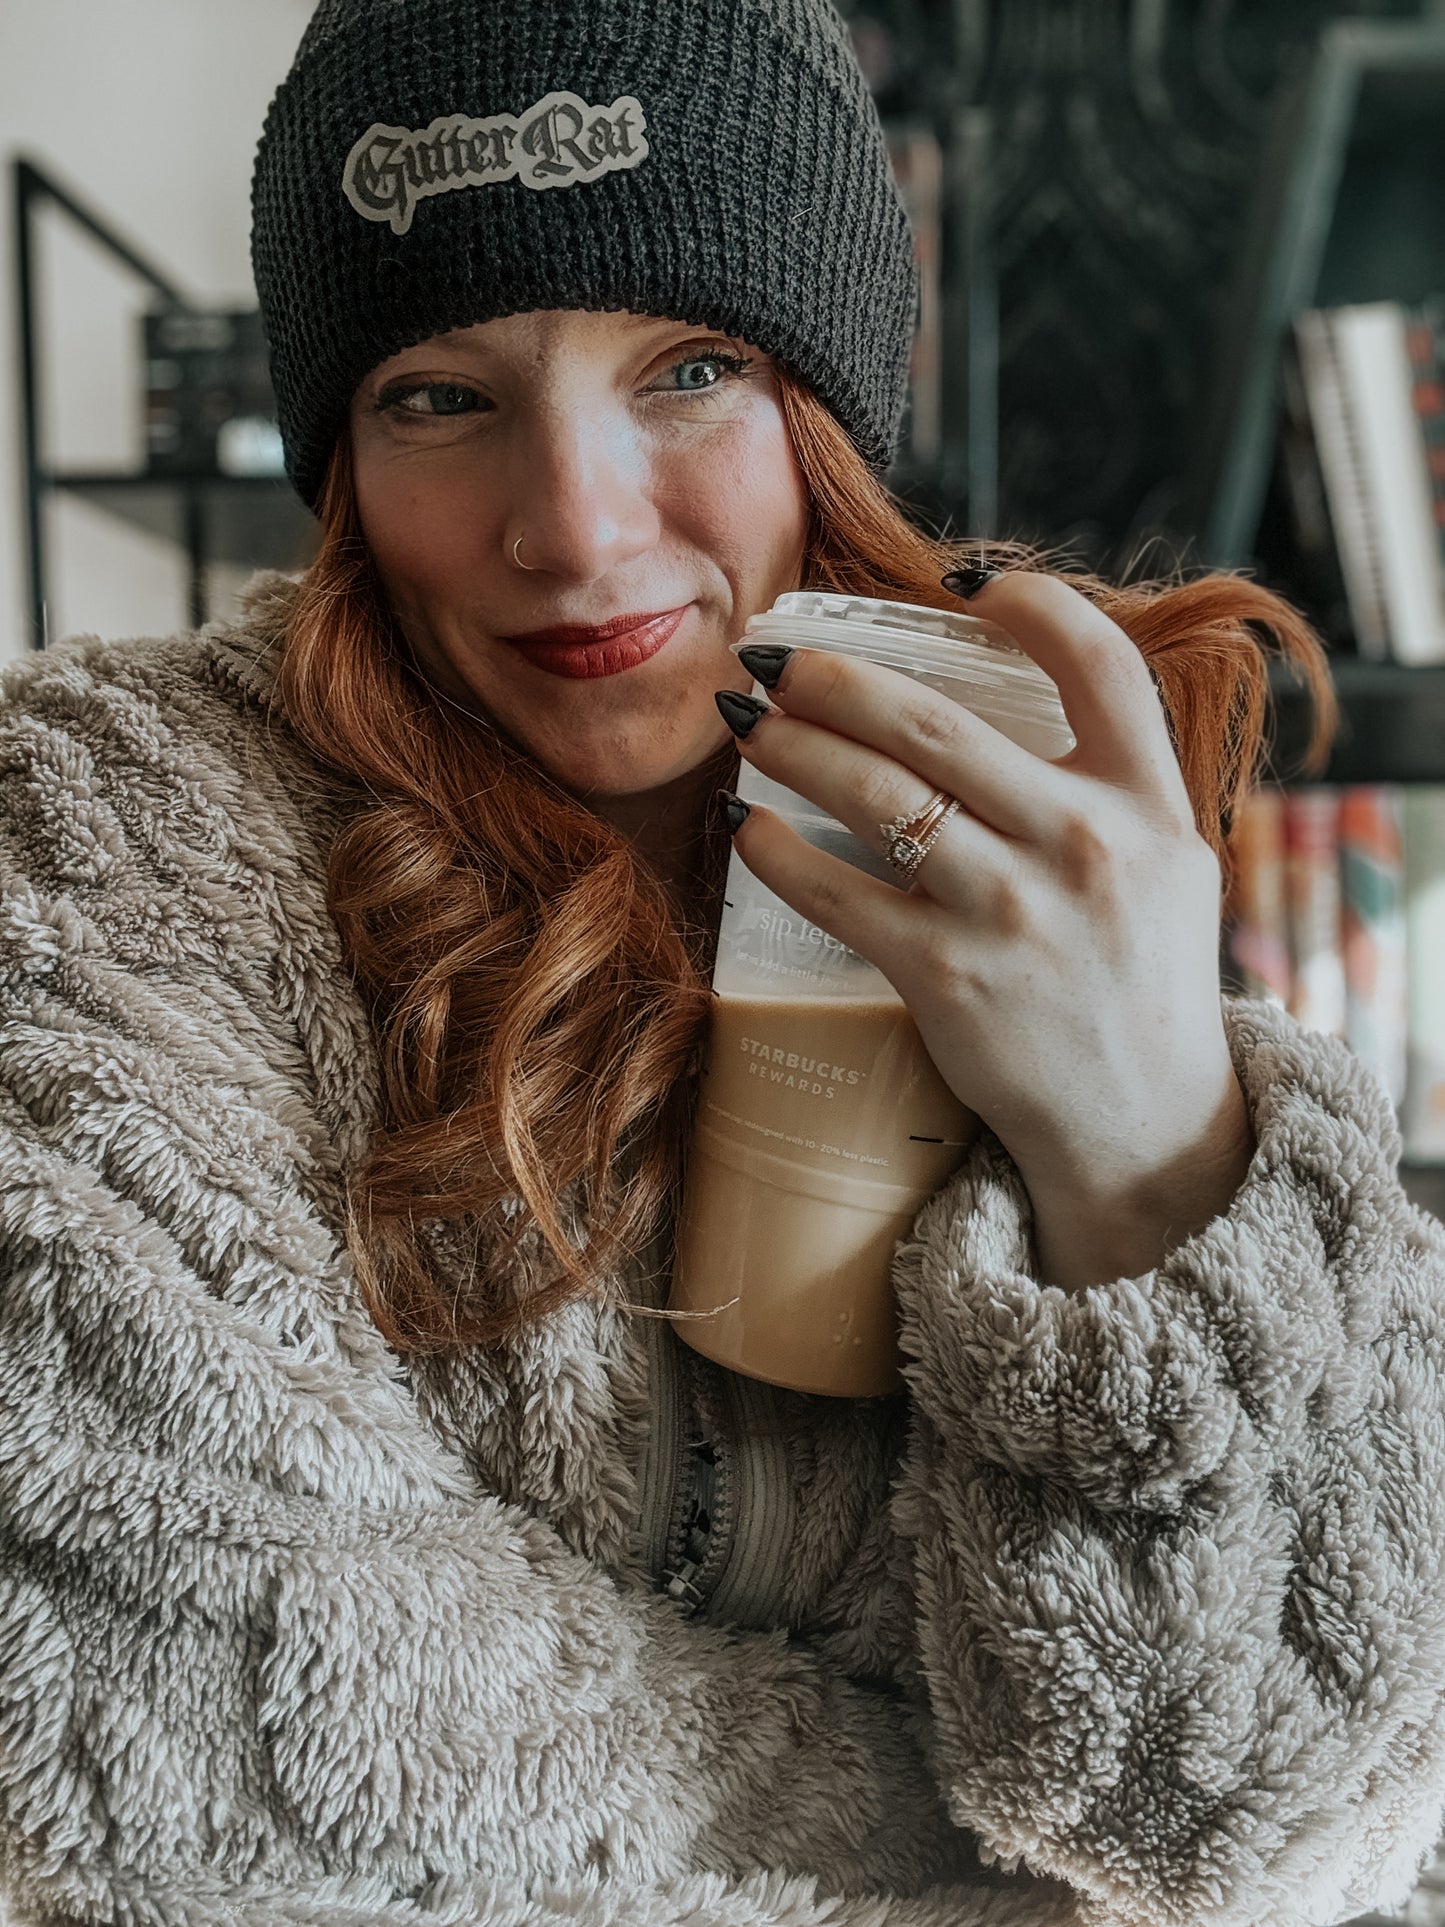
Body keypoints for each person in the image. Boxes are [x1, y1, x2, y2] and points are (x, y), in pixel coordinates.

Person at [2, 2, 1444, 1923]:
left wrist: (1153, 1141)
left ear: (833, 403)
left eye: (688, 367)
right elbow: (168, 1710)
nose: (574, 530)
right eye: (439, 393)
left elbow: (1300, 1812)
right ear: (342, 449)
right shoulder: (97, 840)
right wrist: (1017, 1887)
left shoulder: (1067, 859)